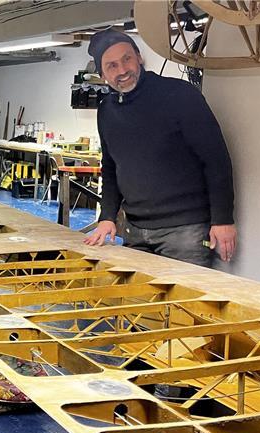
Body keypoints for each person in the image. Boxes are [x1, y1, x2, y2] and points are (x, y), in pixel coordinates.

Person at [82, 29, 237, 268]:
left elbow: (216, 159)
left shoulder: (179, 95)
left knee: (185, 304)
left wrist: (223, 219)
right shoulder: (106, 111)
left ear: (139, 57)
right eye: (112, 66)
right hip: (134, 229)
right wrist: (107, 217)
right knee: (141, 304)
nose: (123, 70)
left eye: (127, 59)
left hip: (185, 232)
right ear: (102, 74)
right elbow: (111, 168)